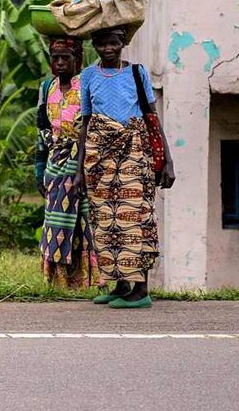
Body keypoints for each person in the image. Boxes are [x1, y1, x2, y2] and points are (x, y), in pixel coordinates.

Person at [71, 27, 176, 308]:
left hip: (133, 154)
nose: (108, 49)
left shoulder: (136, 73)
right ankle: (120, 285)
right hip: (99, 159)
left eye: (114, 44)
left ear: (122, 44)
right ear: (95, 46)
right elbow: (86, 123)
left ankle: (141, 289)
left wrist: (167, 160)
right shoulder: (89, 76)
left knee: (135, 218)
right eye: (102, 44)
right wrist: (80, 169)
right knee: (106, 221)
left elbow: (152, 118)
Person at [35, 37, 98, 289]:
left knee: (82, 221)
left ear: (78, 60)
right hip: (54, 163)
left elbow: (91, 125)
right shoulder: (46, 87)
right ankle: (57, 279)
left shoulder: (85, 85)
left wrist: (84, 167)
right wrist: (39, 170)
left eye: (66, 58)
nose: (60, 62)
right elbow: (41, 129)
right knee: (54, 221)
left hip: (80, 162)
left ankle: (84, 280)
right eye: (55, 57)